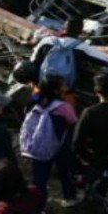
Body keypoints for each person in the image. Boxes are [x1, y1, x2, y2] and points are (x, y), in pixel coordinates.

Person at [23, 75, 80, 206]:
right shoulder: (63, 107)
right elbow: (72, 122)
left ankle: (38, 202)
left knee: (39, 176)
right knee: (65, 172)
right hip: (61, 146)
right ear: (56, 90)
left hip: (39, 145)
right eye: (62, 85)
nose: (65, 87)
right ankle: (70, 197)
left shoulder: (34, 102)